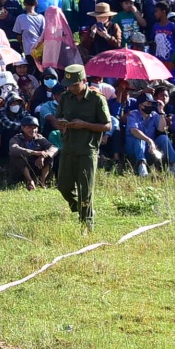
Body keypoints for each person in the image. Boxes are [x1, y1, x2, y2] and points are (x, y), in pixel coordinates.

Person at [53, 63, 108, 228]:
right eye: (68, 85)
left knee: (86, 189)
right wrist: (62, 123)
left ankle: (86, 223)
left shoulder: (97, 99)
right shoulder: (65, 98)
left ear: (84, 80)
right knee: (63, 186)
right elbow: (58, 119)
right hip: (68, 148)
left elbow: (107, 126)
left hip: (87, 149)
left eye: (75, 85)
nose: (71, 88)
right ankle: (80, 208)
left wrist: (84, 124)